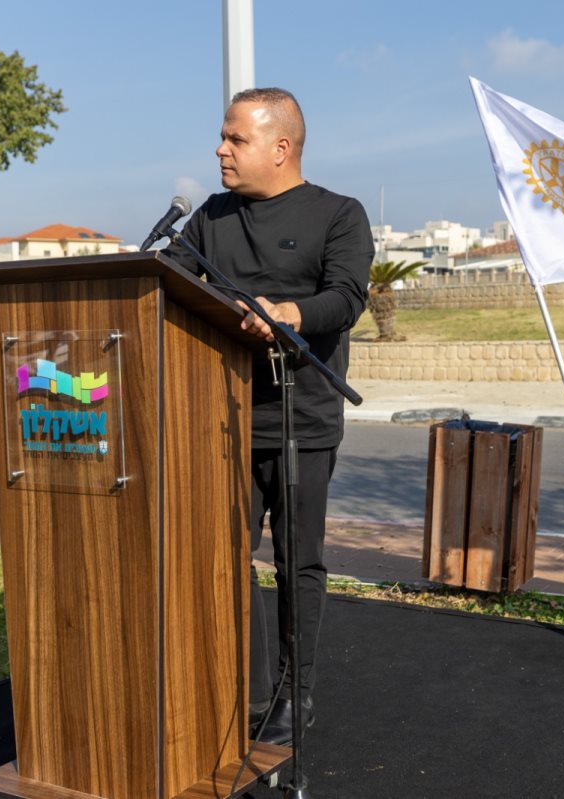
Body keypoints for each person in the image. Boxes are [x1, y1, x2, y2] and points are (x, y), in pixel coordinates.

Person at [164, 87, 373, 745]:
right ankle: (246, 686)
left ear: (280, 148)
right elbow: (169, 280)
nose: (220, 149)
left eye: (235, 139)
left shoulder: (339, 214)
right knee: (219, 556)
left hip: (298, 419)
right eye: (223, 137)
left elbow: (345, 296)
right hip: (218, 417)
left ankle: (294, 695)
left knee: (296, 562)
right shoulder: (210, 217)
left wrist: (288, 314)